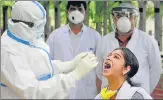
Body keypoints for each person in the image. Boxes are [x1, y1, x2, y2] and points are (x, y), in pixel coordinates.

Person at [1, 1, 98, 99]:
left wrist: (69, 65)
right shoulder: (9, 52)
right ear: (24, 25)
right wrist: (74, 75)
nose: (41, 30)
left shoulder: (25, 37)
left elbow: (41, 66)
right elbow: (33, 92)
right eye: (38, 26)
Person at [96, 2, 162, 94]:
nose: (125, 19)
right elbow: (99, 71)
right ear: (114, 19)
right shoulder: (104, 41)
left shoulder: (148, 41)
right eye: (119, 16)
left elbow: (156, 70)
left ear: (135, 19)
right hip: (110, 95)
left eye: (129, 16)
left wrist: (144, 93)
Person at [46, 1, 101, 99]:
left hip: (87, 91)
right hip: (61, 90)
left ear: (85, 12)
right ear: (67, 12)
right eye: (72, 9)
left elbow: (100, 66)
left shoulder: (95, 36)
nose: (76, 12)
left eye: (80, 9)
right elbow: (47, 63)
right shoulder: (55, 36)